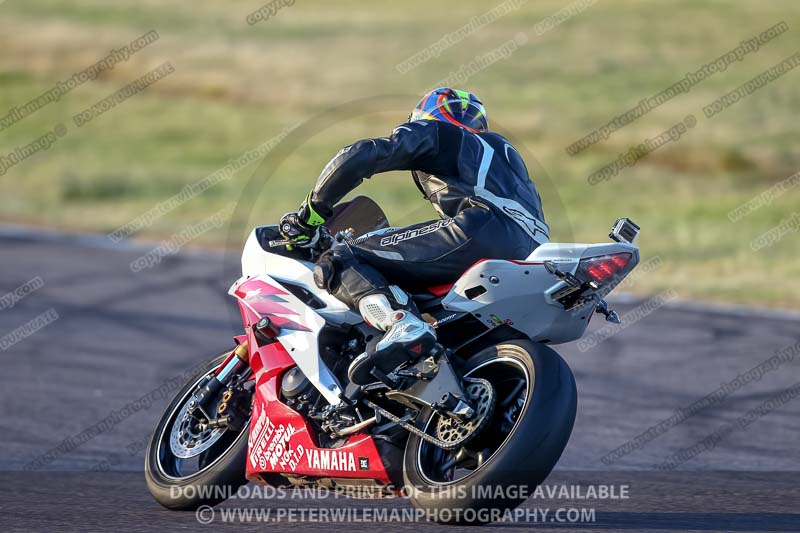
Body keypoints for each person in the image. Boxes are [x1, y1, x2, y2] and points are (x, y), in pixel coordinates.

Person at [279, 88, 549, 385]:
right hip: (533, 251)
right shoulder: (507, 158)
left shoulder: (441, 132)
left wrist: (311, 213)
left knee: (342, 256)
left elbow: (361, 155)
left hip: (482, 229)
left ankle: (399, 324)